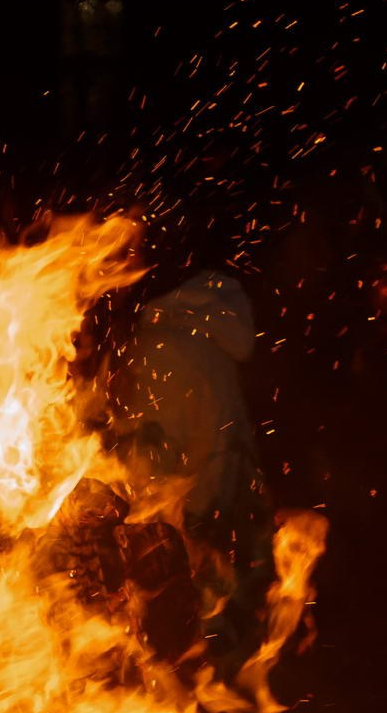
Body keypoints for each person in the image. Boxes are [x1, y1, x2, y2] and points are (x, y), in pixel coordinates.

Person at [96, 238, 276, 673]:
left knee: (198, 673)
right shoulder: (195, 339)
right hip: (227, 528)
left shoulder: (160, 352)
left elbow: (152, 472)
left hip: (195, 543)